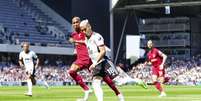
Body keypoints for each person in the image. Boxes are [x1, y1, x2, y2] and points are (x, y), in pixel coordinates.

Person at [80, 19, 124, 101]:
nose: (83, 31)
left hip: (102, 62)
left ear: (89, 27)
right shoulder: (86, 38)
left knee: (119, 81)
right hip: (97, 64)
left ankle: (136, 81)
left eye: (84, 29)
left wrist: (94, 63)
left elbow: (103, 51)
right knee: (96, 83)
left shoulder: (97, 37)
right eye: (81, 30)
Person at [68, 17, 92, 101]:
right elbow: (75, 42)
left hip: (89, 58)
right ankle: (87, 90)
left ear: (80, 22)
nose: (75, 24)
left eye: (76, 22)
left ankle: (119, 94)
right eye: (73, 23)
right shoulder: (73, 35)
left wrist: (75, 41)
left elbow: (88, 40)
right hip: (81, 59)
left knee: (103, 78)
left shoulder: (84, 32)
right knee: (71, 71)